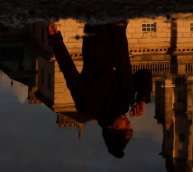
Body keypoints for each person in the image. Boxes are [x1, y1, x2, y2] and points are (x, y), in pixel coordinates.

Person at [47, 22, 151, 158]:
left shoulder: (88, 106)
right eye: (129, 127)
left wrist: (55, 39)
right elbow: (144, 74)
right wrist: (142, 99)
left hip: (98, 32)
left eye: (124, 127)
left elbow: (69, 71)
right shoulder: (125, 103)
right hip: (119, 28)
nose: (129, 123)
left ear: (110, 129)